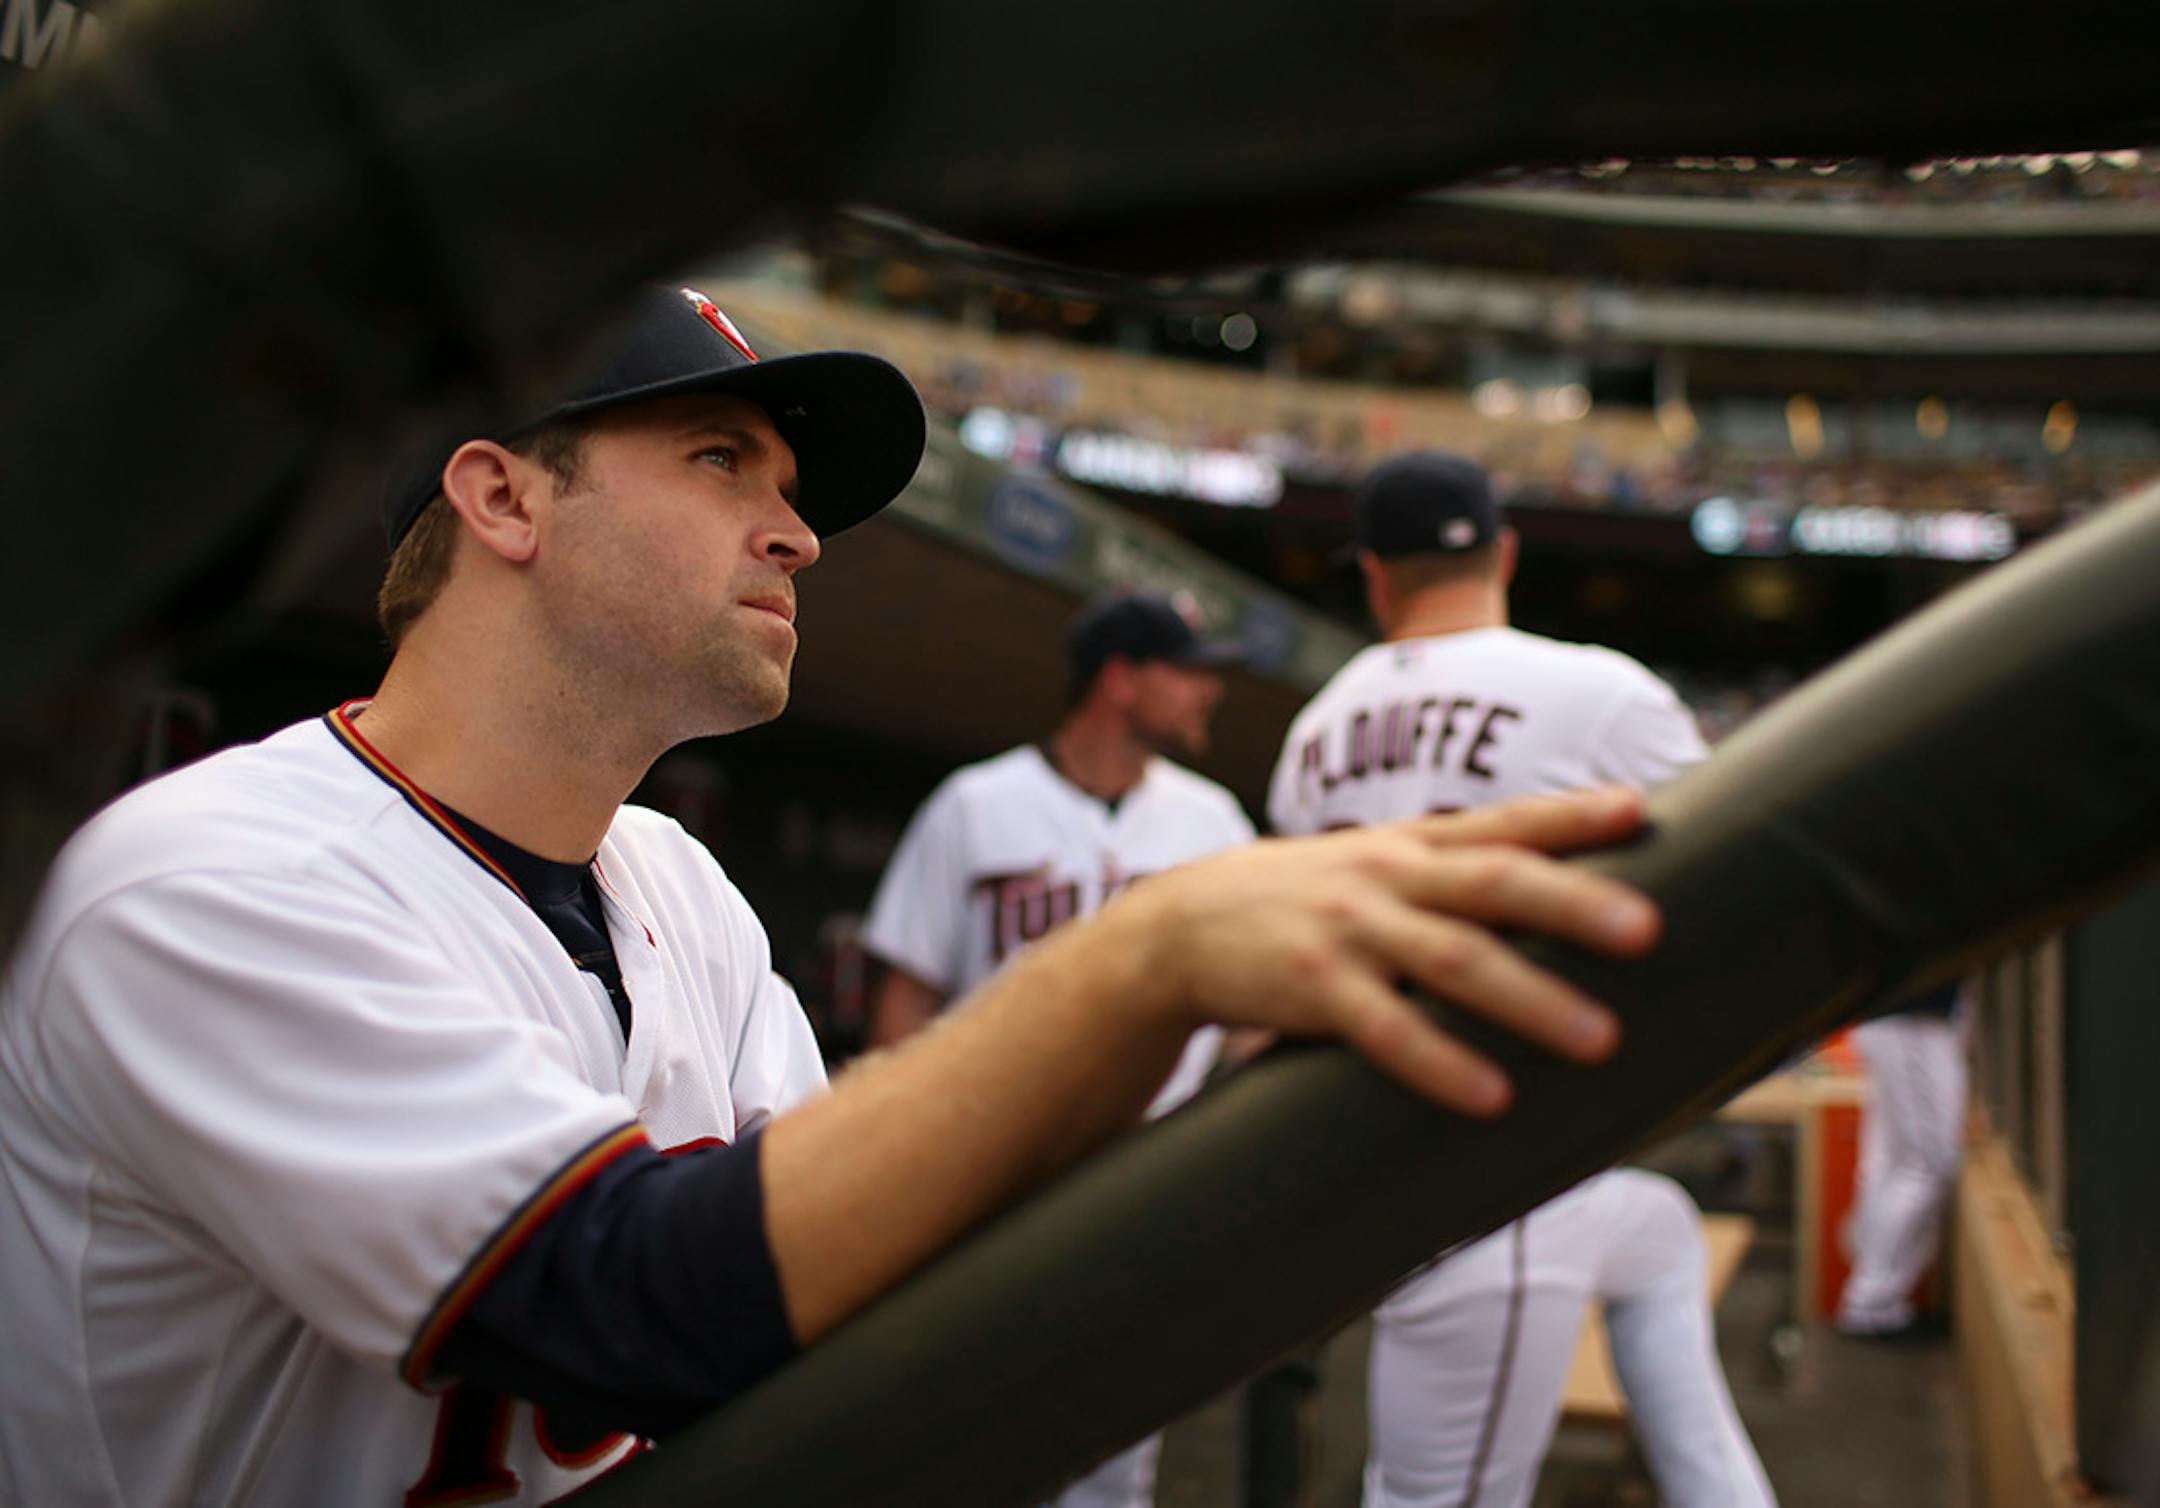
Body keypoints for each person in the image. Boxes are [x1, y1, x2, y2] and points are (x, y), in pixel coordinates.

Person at [0, 294, 1666, 1508]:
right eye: (724, 459)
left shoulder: (682, 886)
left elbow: (860, 1297)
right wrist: (1143, 960)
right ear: (500, 496)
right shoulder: (199, 879)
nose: (796, 532)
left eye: (790, 483)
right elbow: (631, 1298)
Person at [1267, 451, 1775, 1508]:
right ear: (1502, 549)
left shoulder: (1314, 728)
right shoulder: (1595, 689)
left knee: (1656, 1233)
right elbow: (1742, 878)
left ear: (1373, 574)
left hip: (1361, 1141)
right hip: (1495, 1148)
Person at [861, 590, 1252, 1507]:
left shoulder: (1215, 820)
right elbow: (905, 998)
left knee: (1114, 1459)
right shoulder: (977, 804)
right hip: (997, 1168)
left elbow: (1253, 1014)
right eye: (1189, 670)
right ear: (1119, 679)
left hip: (1152, 1175)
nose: (1209, 693)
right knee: (971, 1438)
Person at [1835, 981, 1966, 1337]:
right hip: (1907, 1019)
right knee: (1927, 1163)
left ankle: (1876, 1302)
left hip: (1895, 1017)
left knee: (1893, 1162)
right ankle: (1872, 1302)